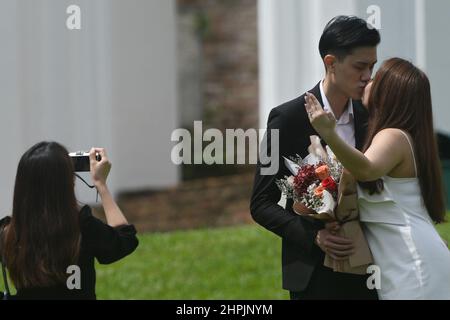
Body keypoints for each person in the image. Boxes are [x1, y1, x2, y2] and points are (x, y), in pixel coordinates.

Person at [250, 15, 380, 299]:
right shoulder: (286, 118)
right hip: (313, 275)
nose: (368, 76)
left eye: (372, 66)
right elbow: (260, 203)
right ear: (331, 63)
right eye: (360, 66)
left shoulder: (373, 115)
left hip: (372, 269)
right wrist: (314, 237)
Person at [305, 57, 450, 299]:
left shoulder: (393, 135)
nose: (367, 81)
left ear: (388, 92)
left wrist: (329, 134)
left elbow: (367, 169)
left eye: (375, 78)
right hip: (404, 262)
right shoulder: (403, 136)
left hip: (413, 264)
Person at [0, 142, 138, 299]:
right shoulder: (83, 227)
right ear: (68, 182)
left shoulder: (8, 233)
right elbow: (125, 240)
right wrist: (101, 184)